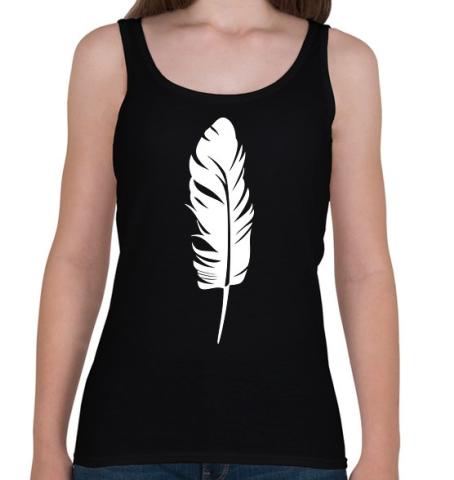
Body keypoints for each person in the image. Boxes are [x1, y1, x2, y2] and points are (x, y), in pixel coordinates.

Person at [30, 0, 400, 479]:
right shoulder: (109, 56)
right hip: (127, 445)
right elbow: (77, 261)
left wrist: (383, 453)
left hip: (293, 444)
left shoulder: (343, 64)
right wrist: (46, 446)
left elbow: (364, 272)